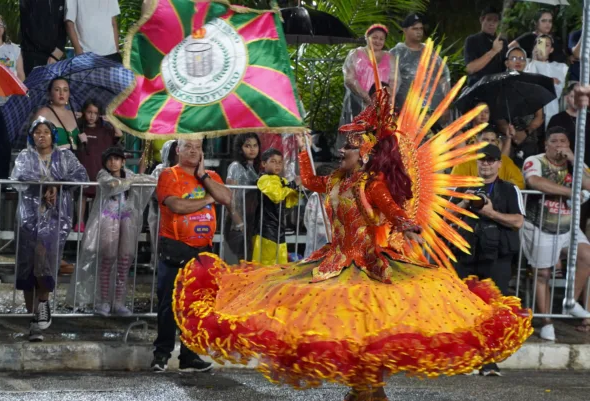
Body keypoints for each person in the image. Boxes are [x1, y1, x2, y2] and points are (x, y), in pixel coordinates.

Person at [172, 77, 532, 400]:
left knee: (369, 333)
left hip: (371, 266)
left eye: (346, 148)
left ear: (362, 153)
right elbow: (311, 182)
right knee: (345, 335)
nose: (340, 151)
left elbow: (391, 209)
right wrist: (301, 146)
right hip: (334, 261)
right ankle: (364, 392)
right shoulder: (335, 181)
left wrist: (407, 224)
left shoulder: (370, 183)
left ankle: (369, 391)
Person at [151, 137, 231, 372]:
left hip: (202, 251)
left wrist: (204, 176)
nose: (194, 151)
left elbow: (227, 198)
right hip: (175, 249)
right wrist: (207, 198)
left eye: (198, 147)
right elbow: (176, 206)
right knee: (168, 305)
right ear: (178, 150)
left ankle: (189, 356)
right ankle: (161, 355)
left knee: (196, 305)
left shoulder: (211, 177)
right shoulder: (169, 175)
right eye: (189, 147)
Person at [11, 117, 88, 342]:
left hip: (55, 217)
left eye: (45, 131)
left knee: (45, 260)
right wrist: (42, 184)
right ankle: (32, 319)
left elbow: (80, 177)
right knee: (27, 263)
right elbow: (19, 178)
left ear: (53, 135)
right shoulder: (26, 157)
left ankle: (43, 303)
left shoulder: (65, 156)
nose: (41, 135)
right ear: (32, 136)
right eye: (37, 132)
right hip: (29, 217)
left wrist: (57, 184)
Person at [452, 144, 525, 376]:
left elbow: (518, 222)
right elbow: (444, 216)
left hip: (497, 257)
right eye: (483, 160)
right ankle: (464, 358)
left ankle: (489, 361)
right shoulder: (462, 186)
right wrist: (464, 203)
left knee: (493, 310)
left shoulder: (510, 190)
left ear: (499, 164)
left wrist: (491, 213)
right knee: (462, 308)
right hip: (466, 253)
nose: (486, 164)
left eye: (491, 160)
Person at [67, 147, 155, 316]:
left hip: (126, 219)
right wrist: (132, 181)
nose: (113, 162)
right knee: (107, 258)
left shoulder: (128, 175)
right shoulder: (103, 175)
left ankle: (119, 302)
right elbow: (112, 185)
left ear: (123, 161)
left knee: (124, 259)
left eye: (117, 159)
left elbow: (146, 181)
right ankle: (104, 301)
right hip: (108, 218)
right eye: (110, 159)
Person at [522, 126, 590, 340]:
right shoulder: (535, 160)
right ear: (546, 144)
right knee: (542, 274)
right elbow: (534, 182)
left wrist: (574, 161)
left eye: (564, 141)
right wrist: (571, 192)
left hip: (568, 225)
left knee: (587, 257)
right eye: (555, 141)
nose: (560, 145)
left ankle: (570, 303)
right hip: (540, 225)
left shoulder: (574, 163)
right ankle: (546, 321)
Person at [74, 98, 123, 232]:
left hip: (99, 168)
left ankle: (98, 222)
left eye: (95, 113)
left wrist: (111, 120)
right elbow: (72, 145)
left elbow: (119, 134)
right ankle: (80, 222)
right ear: (84, 112)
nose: (92, 116)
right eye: (89, 112)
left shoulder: (104, 130)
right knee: (82, 195)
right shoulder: (78, 128)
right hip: (84, 167)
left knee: (100, 196)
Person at [340, 24, 399, 127]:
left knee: (378, 135)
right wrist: (366, 98)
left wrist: (386, 100)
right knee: (358, 133)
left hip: (381, 105)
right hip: (357, 102)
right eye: (374, 37)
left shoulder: (390, 57)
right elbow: (349, 79)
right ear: (367, 37)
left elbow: (394, 81)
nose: (378, 41)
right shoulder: (355, 53)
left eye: (381, 39)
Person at [0, 13, 25, 180]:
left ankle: (3, 183)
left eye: (0, 23)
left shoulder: (14, 49)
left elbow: (21, 75)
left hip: (9, 102)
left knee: (5, 144)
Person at [390, 13, 450, 111]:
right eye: (414, 29)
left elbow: (443, 77)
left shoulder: (430, 52)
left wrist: (446, 103)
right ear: (405, 30)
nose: (419, 32)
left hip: (430, 111)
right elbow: (387, 83)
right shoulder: (396, 53)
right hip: (403, 112)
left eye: (420, 29)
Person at [497, 47, 544, 168]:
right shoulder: (498, 86)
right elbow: (496, 116)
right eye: (514, 58)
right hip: (505, 134)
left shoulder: (533, 86)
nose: (518, 61)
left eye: (522, 58)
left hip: (528, 135)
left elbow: (539, 117)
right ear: (507, 63)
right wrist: (511, 133)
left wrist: (526, 132)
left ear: (526, 63)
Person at [252, 148, 299, 266]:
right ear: (264, 164)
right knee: (266, 265)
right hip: (266, 230)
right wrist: (293, 184)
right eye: (273, 161)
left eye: (279, 162)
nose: (277, 165)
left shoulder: (282, 180)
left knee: (281, 265)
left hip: (279, 229)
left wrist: (297, 188)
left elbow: (290, 202)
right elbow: (277, 195)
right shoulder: (263, 179)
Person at [224, 133, 261, 264]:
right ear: (240, 148)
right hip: (237, 222)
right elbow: (230, 196)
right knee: (237, 262)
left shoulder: (257, 168)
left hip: (252, 220)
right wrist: (238, 221)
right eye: (247, 146)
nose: (252, 149)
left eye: (255, 145)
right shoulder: (235, 166)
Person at [451, 126, 524, 189]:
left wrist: (500, 187)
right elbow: (453, 184)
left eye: (492, 140)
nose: (489, 143)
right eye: (485, 140)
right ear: (476, 141)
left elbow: (520, 183)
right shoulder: (464, 161)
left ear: (497, 143)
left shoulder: (505, 161)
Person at [525, 35, 568, 128]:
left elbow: (557, 88)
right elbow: (529, 84)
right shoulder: (527, 64)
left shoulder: (558, 67)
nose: (542, 48)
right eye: (540, 44)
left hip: (551, 109)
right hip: (532, 111)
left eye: (546, 45)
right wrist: (534, 60)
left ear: (551, 49)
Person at [148, 139, 178, 265]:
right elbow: (153, 191)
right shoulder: (159, 170)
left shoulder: (184, 169)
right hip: (160, 211)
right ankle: (158, 264)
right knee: (158, 239)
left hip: (178, 212)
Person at [34, 76, 82, 152]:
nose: (61, 93)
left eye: (65, 90)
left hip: (75, 160)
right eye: (57, 90)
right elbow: (34, 144)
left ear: (69, 93)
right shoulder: (43, 113)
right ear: (50, 93)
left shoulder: (73, 114)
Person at [19, 0, 67, 76]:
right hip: (32, 55)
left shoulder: (62, 2)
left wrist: (59, 49)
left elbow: (64, 26)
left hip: (56, 55)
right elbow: (27, 27)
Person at [463, 7, 507, 85]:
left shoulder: (502, 42)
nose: (492, 23)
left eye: (495, 21)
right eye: (489, 19)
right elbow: (470, 69)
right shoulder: (472, 40)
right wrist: (493, 51)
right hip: (478, 87)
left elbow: (507, 66)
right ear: (481, 20)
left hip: (498, 88)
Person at [304, 164, 335, 258]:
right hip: (317, 239)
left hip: (333, 239)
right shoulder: (315, 197)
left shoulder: (336, 197)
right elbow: (308, 220)